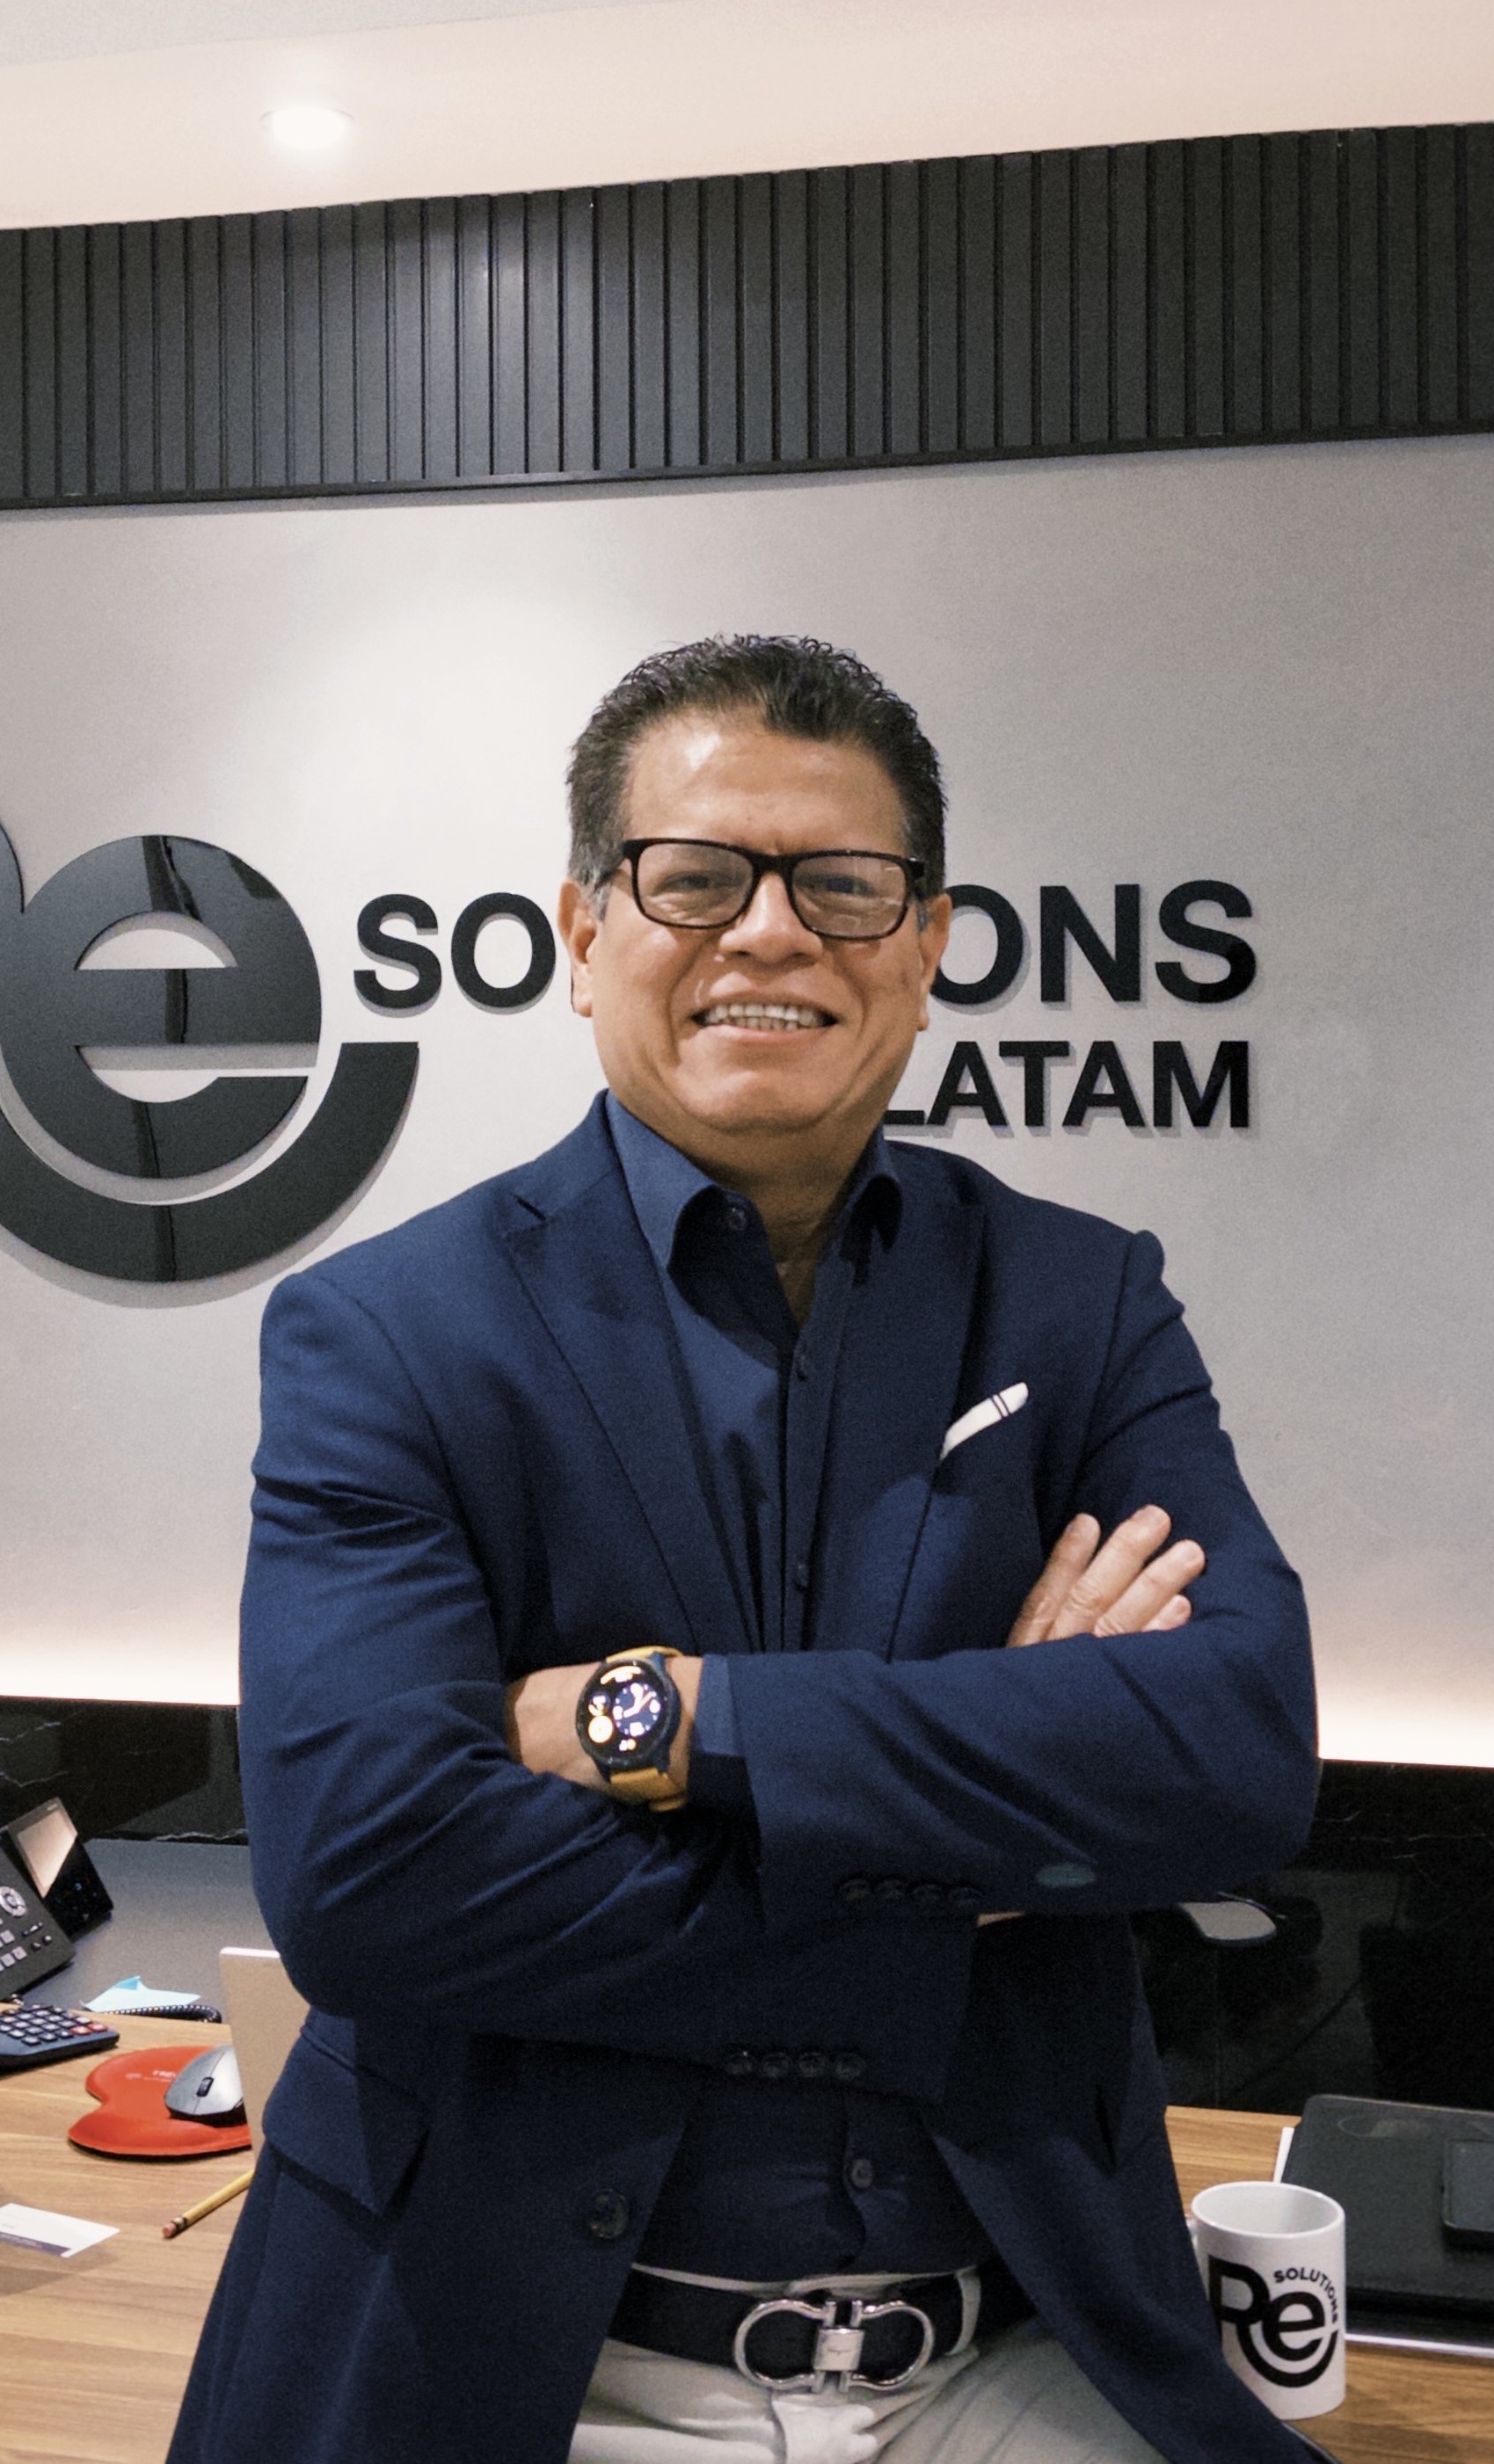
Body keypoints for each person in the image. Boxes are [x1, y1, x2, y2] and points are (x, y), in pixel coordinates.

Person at [170, 637, 1318, 2464]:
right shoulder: (389, 1333)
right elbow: (371, 1880)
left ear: (927, 939)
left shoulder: (1079, 1300)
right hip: (518, 2368)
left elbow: (1235, 1754)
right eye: (692, 876)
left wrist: (680, 1720)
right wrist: (963, 1847)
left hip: (1006, 2357)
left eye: (840, 884)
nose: (768, 933)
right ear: (578, 932)